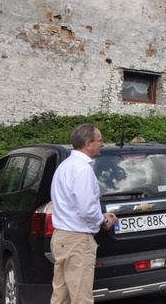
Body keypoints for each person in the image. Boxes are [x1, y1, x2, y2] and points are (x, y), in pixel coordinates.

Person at [50, 124, 118, 304]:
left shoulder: (65, 166)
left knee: (61, 295)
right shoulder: (83, 170)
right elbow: (87, 209)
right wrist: (104, 220)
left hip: (62, 238)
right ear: (88, 143)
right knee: (82, 298)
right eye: (100, 140)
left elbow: (75, 205)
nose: (102, 144)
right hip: (77, 242)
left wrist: (100, 216)